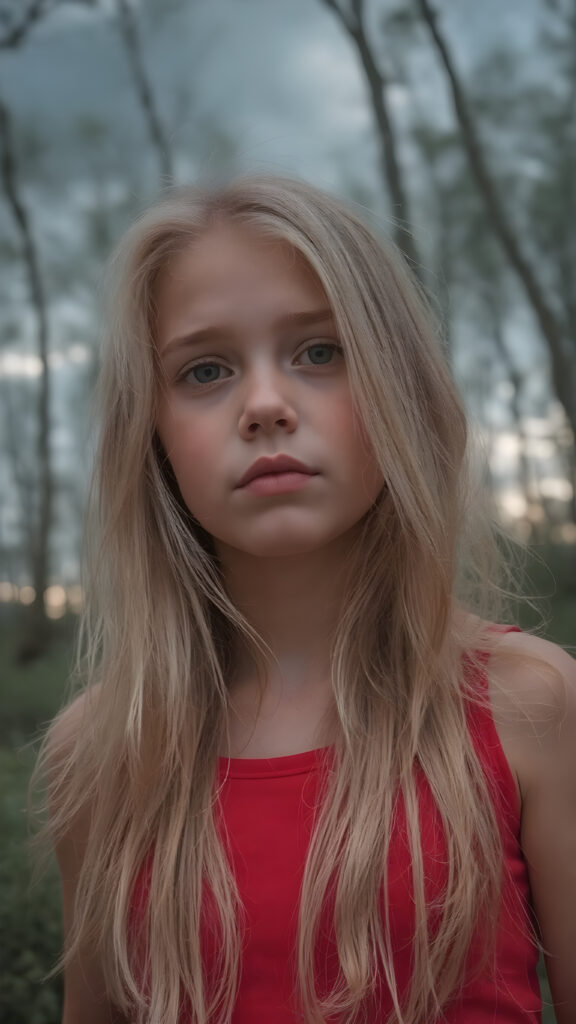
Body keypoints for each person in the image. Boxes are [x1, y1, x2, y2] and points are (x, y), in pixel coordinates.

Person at [37, 175, 576, 1024]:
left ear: (401, 388)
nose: (264, 405)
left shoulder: (529, 702)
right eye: (204, 370)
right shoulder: (100, 757)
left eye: (319, 352)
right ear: (153, 435)